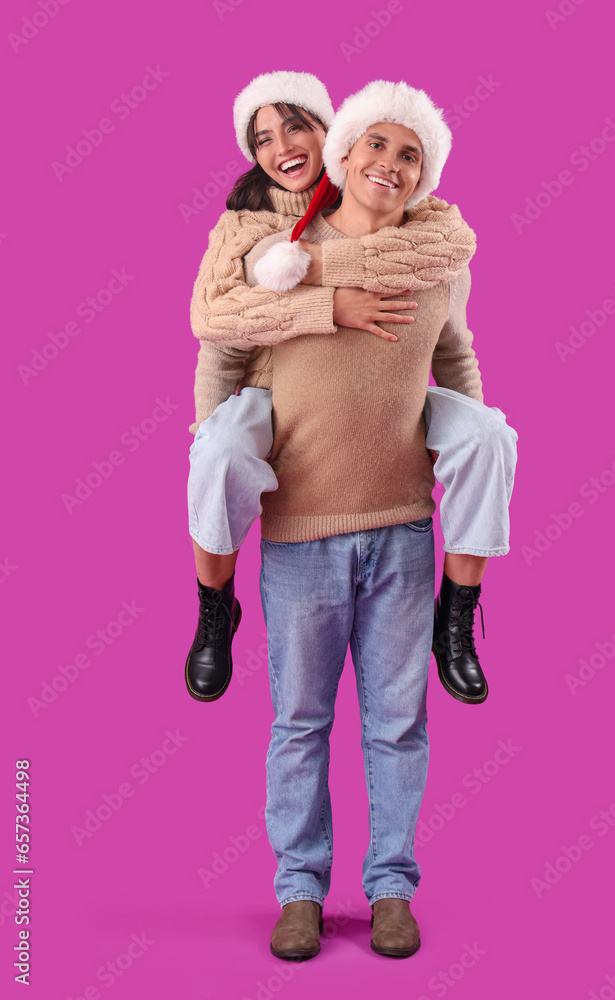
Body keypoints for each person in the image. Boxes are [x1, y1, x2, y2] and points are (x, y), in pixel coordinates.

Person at [194, 79, 516, 959]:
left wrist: (466, 441)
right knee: (299, 723)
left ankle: (390, 890)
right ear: (345, 151)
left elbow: (455, 355)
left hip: (404, 527)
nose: (390, 162)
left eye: (408, 152)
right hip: (301, 529)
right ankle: (299, 889)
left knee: (397, 723)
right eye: (376, 145)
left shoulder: (436, 254)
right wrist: (208, 434)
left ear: (424, 172)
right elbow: (218, 338)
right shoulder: (284, 246)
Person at [185, 72, 493, 706]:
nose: (282, 146)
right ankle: (215, 609)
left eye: (295, 125)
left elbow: (447, 262)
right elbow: (216, 330)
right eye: (263, 138)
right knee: (217, 453)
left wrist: (319, 267)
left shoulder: (393, 221)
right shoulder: (247, 232)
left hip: (386, 405)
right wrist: (328, 307)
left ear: (333, 136)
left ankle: (458, 613)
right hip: (267, 399)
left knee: (490, 436)